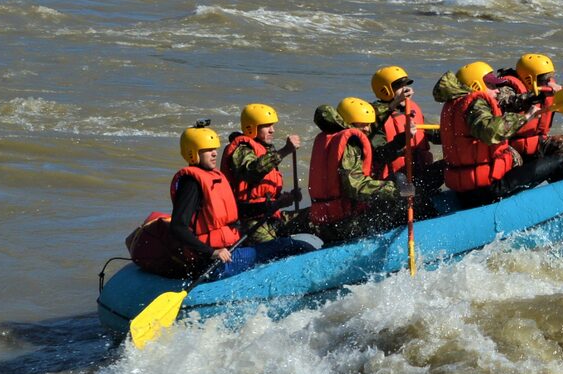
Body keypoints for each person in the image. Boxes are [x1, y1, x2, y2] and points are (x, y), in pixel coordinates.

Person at [434, 61, 563, 206]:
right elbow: (490, 131)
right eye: (492, 85)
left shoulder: (454, 105)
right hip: (486, 189)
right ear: (475, 85)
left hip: (466, 189)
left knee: (518, 160)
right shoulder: (474, 104)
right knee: (558, 161)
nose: (497, 90)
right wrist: (526, 117)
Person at [308, 97, 414, 243]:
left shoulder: (329, 137)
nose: (367, 129)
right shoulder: (349, 144)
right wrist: (396, 190)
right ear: (349, 122)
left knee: (397, 180)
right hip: (346, 225)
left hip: (327, 221)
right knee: (400, 186)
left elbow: (374, 159)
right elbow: (355, 186)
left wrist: (400, 139)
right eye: (363, 125)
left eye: (368, 125)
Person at [221, 102, 309, 245]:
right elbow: (251, 172)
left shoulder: (263, 150)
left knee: (313, 217)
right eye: (266, 126)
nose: (272, 130)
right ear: (251, 128)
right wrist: (285, 150)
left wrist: (286, 198)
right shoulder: (243, 149)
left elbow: (264, 192)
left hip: (270, 215)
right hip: (250, 220)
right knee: (280, 248)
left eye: (272, 125)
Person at [169, 121, 244, 278]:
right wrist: (212, 252)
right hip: (211, 259)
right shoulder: (191, 183)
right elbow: (177, 227)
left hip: (228, 248)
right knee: (274, 250)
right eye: (208, 150)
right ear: (193, 153)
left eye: (215, 149)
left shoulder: (214, 176)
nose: (215, 153)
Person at [369, 64, 441, 189]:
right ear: (385, 90)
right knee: (400, 179)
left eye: (405, 85)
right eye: (399, 87)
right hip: (393, 181)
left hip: (419, 176)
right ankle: (410, 204)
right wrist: (403, 138)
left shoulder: (413, 109)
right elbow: (380, 155)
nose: (405, 90)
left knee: (449, 165)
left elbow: (434, 135)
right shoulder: (375, 116)